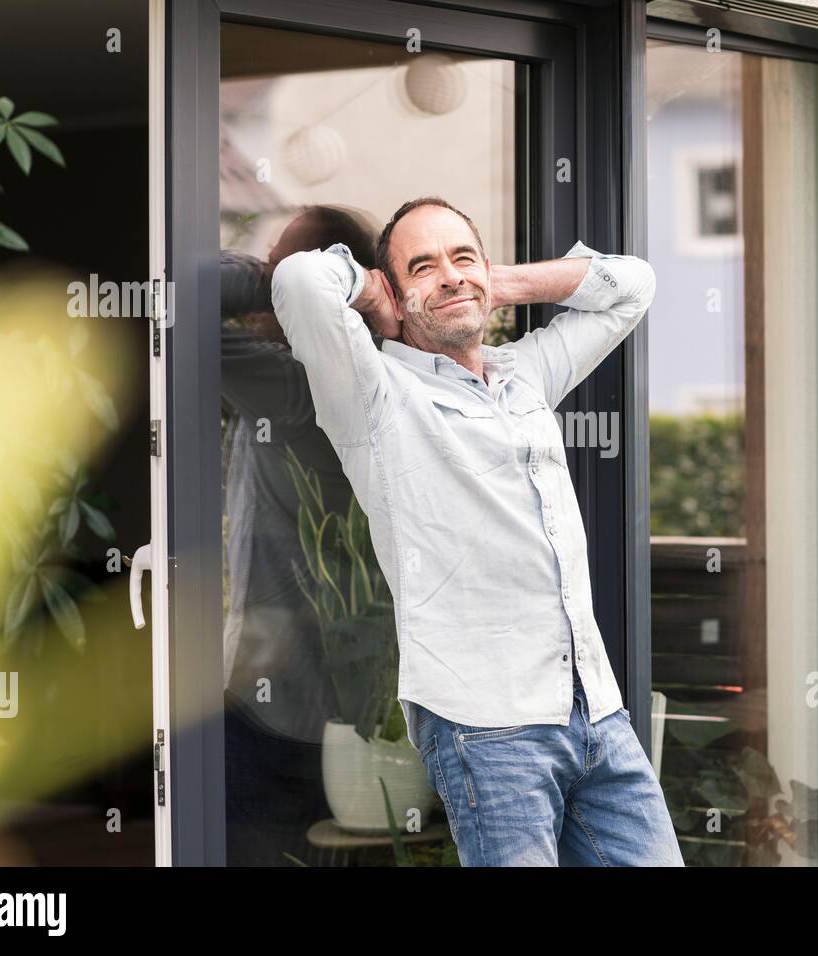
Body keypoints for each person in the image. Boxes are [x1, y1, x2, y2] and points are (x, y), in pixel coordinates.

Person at [271, 196, 683, 866]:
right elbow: (296, 283)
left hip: (595, 711)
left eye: (462, 255)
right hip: (487, 728)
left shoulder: (525, 373)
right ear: (396, 297)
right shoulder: (375, 397)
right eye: (423, 266)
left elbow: (633, 285)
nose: (450, 275)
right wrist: (372, 292)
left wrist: (495, 281)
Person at [219, 204, 381, 865]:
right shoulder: (339, 383)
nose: (275, 277)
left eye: (290, 265)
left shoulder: (298, 388)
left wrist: (276, 278)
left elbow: (177, 295)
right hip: (317, 705)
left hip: (279, 707)